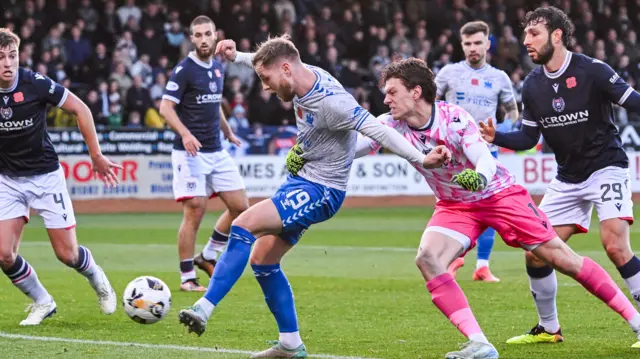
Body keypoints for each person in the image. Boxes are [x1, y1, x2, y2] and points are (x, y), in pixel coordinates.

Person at [177, 34, 450, 358]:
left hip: (322, 189)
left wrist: (422, 157)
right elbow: (267, 59)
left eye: (267, 80)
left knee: (244, 223)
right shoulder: (296, 73)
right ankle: (291, 344)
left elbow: (379, 130)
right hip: (301, 181)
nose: (265, 87)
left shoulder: (332, 102)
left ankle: (204, 307)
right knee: (263, 261)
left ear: (286, 70)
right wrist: (238, 57)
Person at [357, 57, 640, 358]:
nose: (385, 99)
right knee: (428, 258)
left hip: (499, 196)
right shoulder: (388, 124)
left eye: (392, 92)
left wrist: (477, 177)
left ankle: (636, 322)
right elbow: (355, 147)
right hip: (455, 205)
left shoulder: (453, 118)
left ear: (415, 92)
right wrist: (312, 155)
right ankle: (480, 343)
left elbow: (485, 158)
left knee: (561, 258)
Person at [479, 6, 640, 345]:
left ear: (556, 35)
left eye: (533, 34)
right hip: (567, 178)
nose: (525, 41)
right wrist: (497, 137)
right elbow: (528, 139)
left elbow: (634, 102)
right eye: (524, 35)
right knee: (535, 251)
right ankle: (549, 328)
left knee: (614, 246)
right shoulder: (533, 85)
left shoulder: (593, 71)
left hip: (606, 166)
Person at [0, 28, 119, 325]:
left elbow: (81, 109)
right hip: (7, 179)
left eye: (12, 56)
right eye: (0, 57)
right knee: (3, 254)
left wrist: (96, 156)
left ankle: (97, 278)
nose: (7, 63)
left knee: (67, 254)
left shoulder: (35, 83)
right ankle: (43, 301)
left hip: (44, 177)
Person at [159, 16, 248, 292]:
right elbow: (165, 107)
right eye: (197, 35)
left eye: (207, 34)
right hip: (190, 153)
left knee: (241, 207)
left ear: (215, 35)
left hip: (216, 149)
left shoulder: (218, 68)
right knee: (195, 210)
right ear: (192, 38)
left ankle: (208, 255)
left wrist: (227, 130)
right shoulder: (184, 69)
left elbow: (214, 104)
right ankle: (187, 277)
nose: (203, 39)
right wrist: (185, 134)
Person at [435, 20, 519, 282]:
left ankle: (481, 266)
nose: (472, 48)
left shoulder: (499, 78)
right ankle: (453, 257)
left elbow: (513, 110)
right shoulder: (448, 73)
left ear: (487, 44)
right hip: (452, 154)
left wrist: (505, 128)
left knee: (488, 206)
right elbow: (431, 103)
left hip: (486, 152)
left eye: (477, 43)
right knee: (452, 206)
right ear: (462, 45)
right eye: (468, 43)